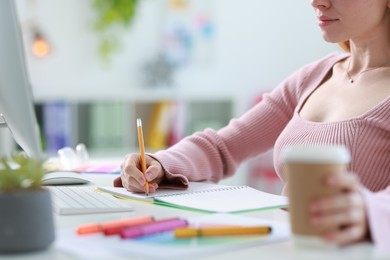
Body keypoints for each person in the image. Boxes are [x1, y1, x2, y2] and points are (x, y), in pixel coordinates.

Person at [114, 0, 390, 249]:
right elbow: (224, 146)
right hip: (286, 248)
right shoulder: (314, 76)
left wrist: (367, 211)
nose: (316, 2)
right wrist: (158, 163)